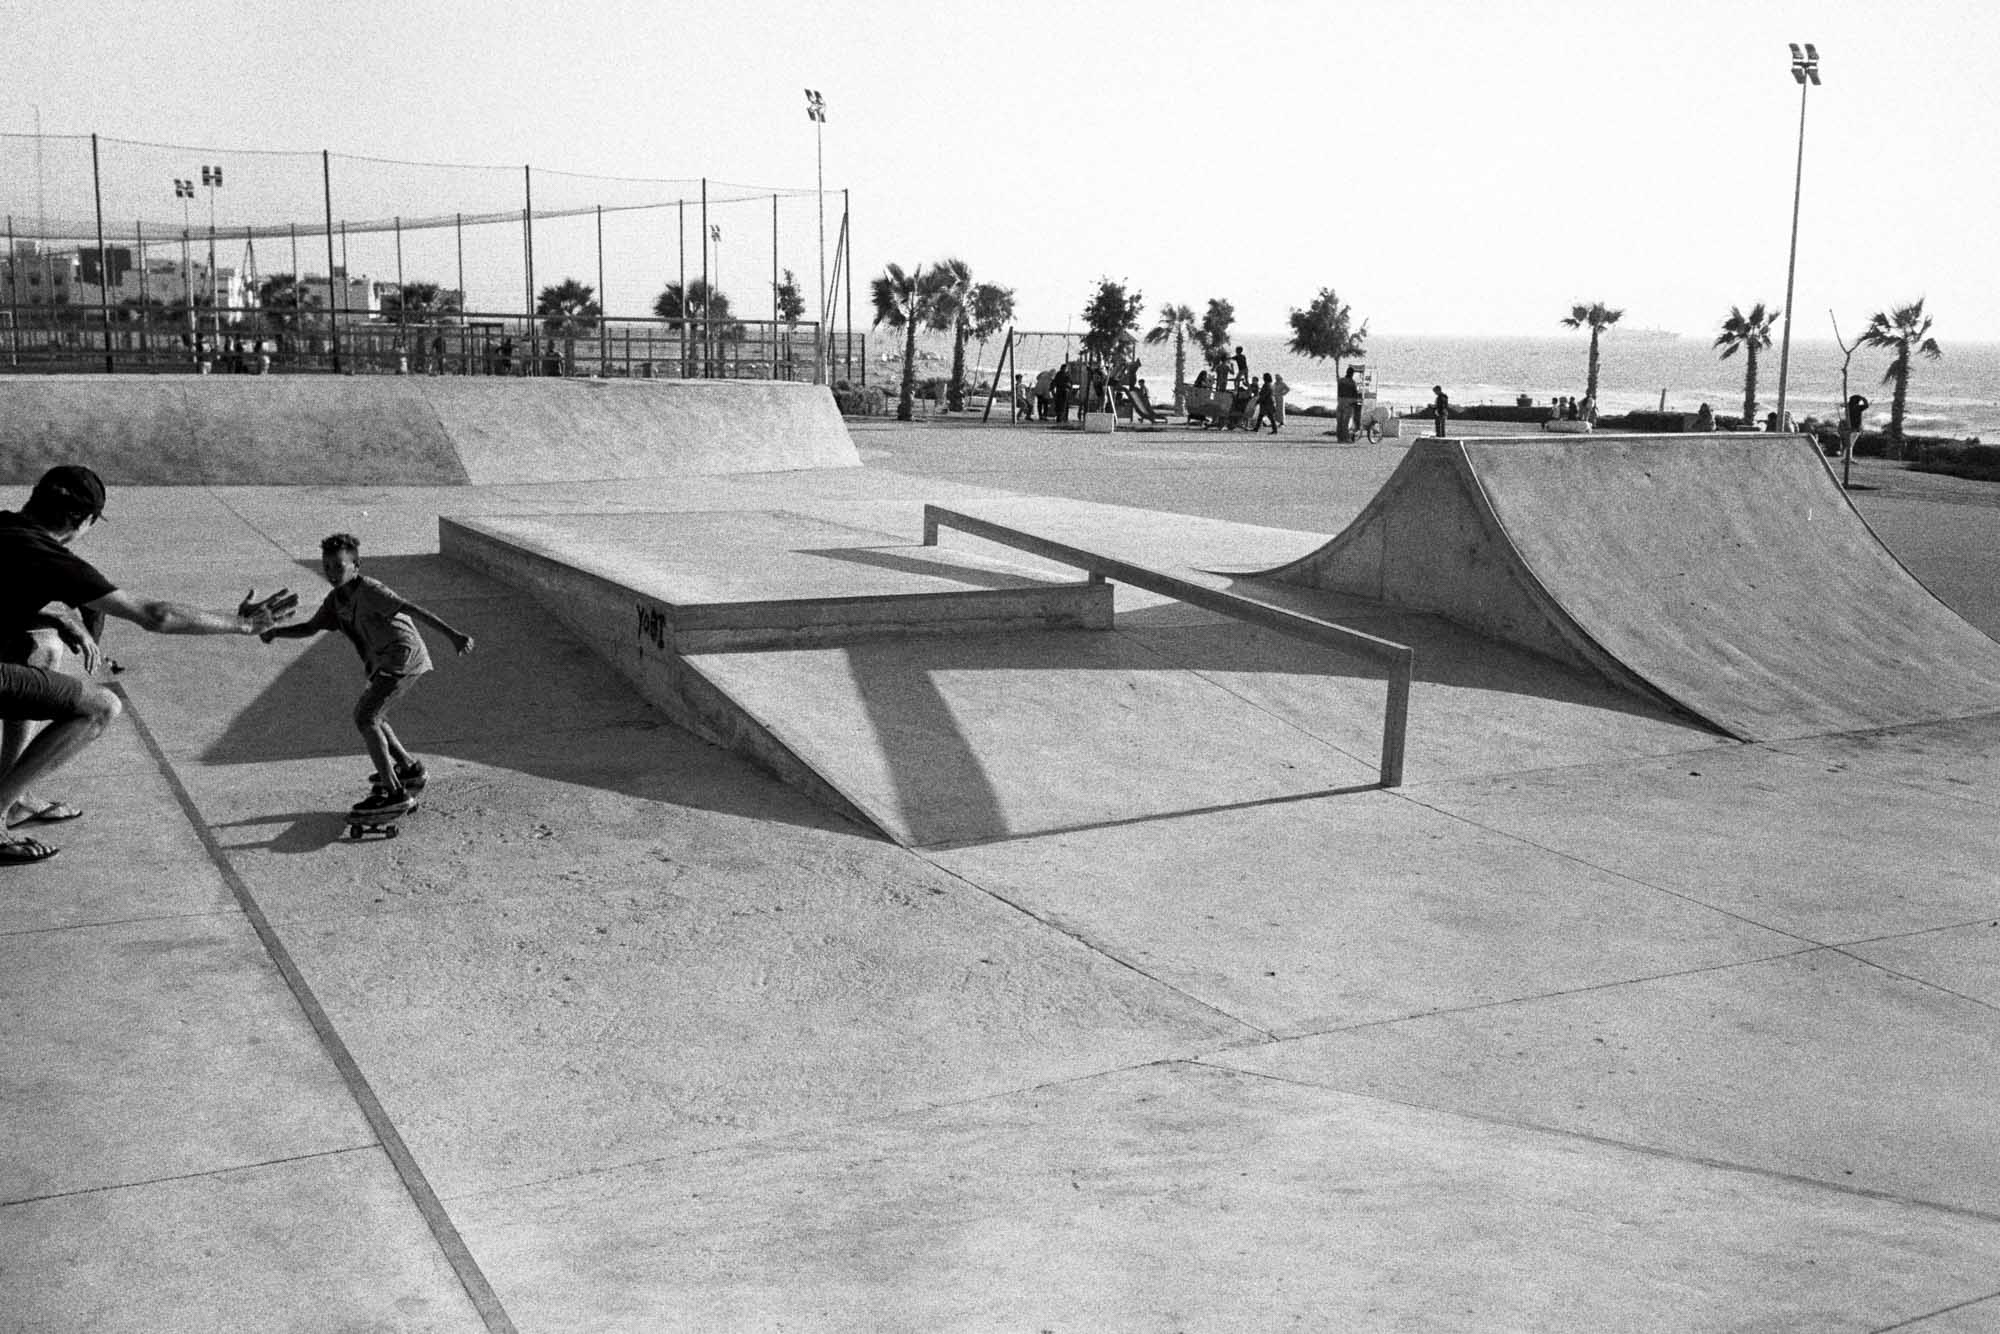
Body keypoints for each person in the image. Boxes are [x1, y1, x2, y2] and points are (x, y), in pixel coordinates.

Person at [0, 466, 299, 863]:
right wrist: (244, 623)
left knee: (41, 649)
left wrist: (59, 617)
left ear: (33, 497)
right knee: (101, 708)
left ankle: (13, 794)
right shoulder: (55, 562)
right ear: (84, 521)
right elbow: (155, 615)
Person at [260, 533, 474, 821]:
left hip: (402, 658)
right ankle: (409, 770)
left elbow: (410, 608)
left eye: (338, 566)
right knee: (374, 716)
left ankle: (395, 794)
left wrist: (453, 635)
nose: (332, 573)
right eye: (327, 567)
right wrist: (276, 631)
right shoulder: (335, 602)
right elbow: (311, 628)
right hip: (383, 663)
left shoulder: (370, 590)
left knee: (366, 718)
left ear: (356, 565)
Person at [1336, 366, 1362, 442]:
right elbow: (1355, 394)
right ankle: (1346, 438)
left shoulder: (1341, 380)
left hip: (1340, 401)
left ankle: (1339, 438)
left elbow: (1339, 391)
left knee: (1339, 421)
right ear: (1352, 374)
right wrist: (1356, 400)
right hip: (1349, 402)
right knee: (1345, 421)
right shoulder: (1352, 382)